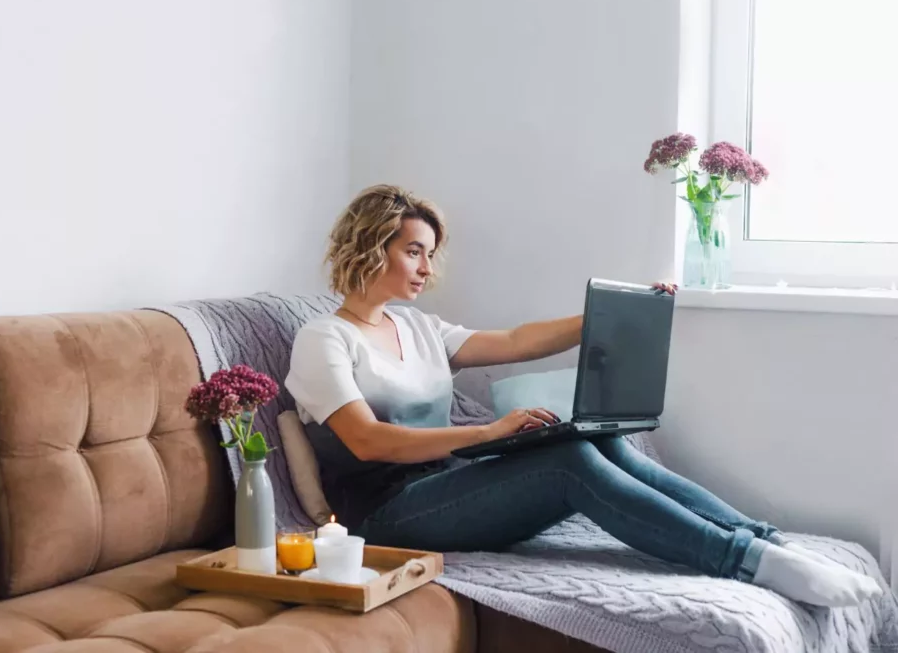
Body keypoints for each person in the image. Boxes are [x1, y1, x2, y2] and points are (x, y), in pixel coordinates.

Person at [284, 184, 881, 607]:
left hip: (444, 488)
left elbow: (518, 340)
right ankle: (748, 563)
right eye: (413, 250)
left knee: (600, 440)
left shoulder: (417, 327)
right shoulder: (323, 339)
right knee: (567, 464)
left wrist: (610, 314)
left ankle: (763, 540)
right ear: (370, 246)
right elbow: (366, 440)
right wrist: (487, 435)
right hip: (385, 516)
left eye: (429, 253)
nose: (426, 267)